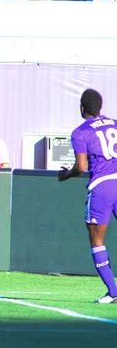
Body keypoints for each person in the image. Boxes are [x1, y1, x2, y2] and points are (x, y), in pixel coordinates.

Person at [58, 89, 117, 304]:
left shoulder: (81, 132)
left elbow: (81, 167)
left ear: (82, 108)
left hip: (102, 186)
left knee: (97, 239)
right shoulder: (115, 123)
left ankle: (113, 292)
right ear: (100, 107)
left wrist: (65, 175)